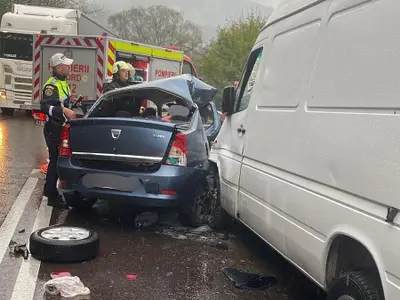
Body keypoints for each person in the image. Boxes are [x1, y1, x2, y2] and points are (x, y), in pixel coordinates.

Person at [40, 53, 76, 208]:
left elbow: (60, 102)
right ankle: (52, 197)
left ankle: (48, 190)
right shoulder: (51, 85)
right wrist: (64, 111)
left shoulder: (62, 83)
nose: (69, 67)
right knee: (55, 161)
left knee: (56, 159)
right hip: (53, 128)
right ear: (59, 67)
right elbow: (45, 106)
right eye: (66, 65)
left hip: (60, 127)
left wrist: (70, 104)